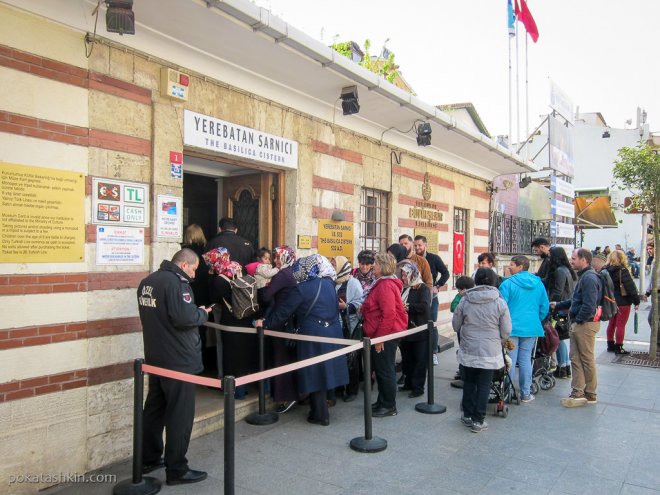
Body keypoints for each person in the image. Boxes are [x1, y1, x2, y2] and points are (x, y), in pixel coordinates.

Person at [137, 248, 212, 485]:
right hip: (179, 360)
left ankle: (148, 457)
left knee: (154, 410)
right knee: (180, 414)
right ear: (184, 265)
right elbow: (185, 318)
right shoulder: (177, 284)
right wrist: (202, 314)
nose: (194, 274)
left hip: (156, 358)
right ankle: (177, 469)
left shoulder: (147, 282)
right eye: (194, 269)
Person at [256, 255, 348, 426]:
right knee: (325, 370)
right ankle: (323, 408)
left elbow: (283, 312)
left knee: (315, 371)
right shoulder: (329, 283)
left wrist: (265, 323)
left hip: (312, 333)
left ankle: (320, 414)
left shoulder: (302, 289)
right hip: (332, 331)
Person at [453, 268, 512, 433]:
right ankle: (478, 420)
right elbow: (506, 329)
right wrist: (499, 339)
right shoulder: (499, 302)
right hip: (490, 351)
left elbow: (455, 325)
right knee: (484, 384)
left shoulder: (465, 300)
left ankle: (467, 415)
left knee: (469, 382)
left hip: (469, 349)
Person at [204, 247, 258, 400]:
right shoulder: (240, 269)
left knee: (231, 356)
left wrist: (211, 277)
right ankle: (244, 388)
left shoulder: (219, 279)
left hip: (231, 320)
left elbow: (215, 298)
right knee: (244, 354)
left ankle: (236, 392)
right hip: (246, 317)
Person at [360, 253, 409, 417]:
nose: (373, 267)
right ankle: (383, 401)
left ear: (382, 267)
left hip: (384, 336)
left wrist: (380, 338)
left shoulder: (385, 285)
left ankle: (388, 405)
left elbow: (389, 314)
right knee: (381, 369)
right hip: (380, 334)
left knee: (385, 370)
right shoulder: (382, 283)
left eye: (375, 264)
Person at [553, 248, 602, 408]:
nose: (571, 261)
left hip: (585, 324)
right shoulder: (585, 276)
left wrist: (578, 321)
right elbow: (575, 300)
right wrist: (558, 305)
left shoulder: (589, 278)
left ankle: (589, 393)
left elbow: (589, 304)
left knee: (585, 358)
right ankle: (578, 392)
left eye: (574, 258)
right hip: (582, 323)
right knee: (576, 358)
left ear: (584, 260)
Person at [498, 255, 549, 403]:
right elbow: (544, 307)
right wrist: (536, 319)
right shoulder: (538, 284)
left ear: (520, 267)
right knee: (526, 359)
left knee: (510, 360)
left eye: (512, 264)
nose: (509, 266)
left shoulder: (507, 284)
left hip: (512, 329)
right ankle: (526, 393)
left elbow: (501, 308)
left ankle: (507, 392)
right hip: (531, 328)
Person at [261, 245, 299, 413]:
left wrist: (263, 285)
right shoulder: (292, 272)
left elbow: (266, 296)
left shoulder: (282, 274)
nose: (275, 261)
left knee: (280, 359)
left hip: (279, 323)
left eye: (277, 257)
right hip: (288, 322)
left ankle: (285, 397)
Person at [396, 260, 432, 398]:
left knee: (419, 359)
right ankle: (408, 383)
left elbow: (424, 306)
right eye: (403, 275)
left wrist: (409, 306)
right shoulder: (405, 288)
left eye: (406, 275)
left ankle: (418, 387)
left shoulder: (421, 288)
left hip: (419, 329)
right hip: (406, 329)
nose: (403, 278)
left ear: (413, 275)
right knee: (407, 358)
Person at [414, 235, 450, 365]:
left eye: (420, 245)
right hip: (416, 297)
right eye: (415, 245)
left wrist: (437, 286)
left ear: (425, 245)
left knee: (432, 324)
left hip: (431, 297)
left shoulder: (434, 258)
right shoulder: (412, 259)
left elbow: (446, 273)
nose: (417, 247)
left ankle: (434, 353)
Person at [332, 256, 363, 402]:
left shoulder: (353, 282)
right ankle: (339, 387)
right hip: (337, 326)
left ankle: (352, 390)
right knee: (338, 358)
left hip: (351, 326)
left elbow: (359, 303)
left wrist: (346, 307)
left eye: (334, 265)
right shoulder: (333, 282)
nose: (332, 267)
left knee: (352, 360)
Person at [546, 247, 577, 379]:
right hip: (565, 308)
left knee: (557, 338)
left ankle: (562, 367)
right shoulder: (567, 270)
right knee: (560, 338)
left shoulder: (559, 271)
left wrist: (552, 306)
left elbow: (558, 291)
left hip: (559, 308)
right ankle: (564, 367)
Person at [605, 250, 640, 354]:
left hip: (610, 301)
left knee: (611, 323)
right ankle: (619, 347)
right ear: (622, 258)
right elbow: (631, 288)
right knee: (621, 325)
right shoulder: (622, 270)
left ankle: (610, 345)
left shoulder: (605, 270)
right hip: (623, 301)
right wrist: (636, 301)